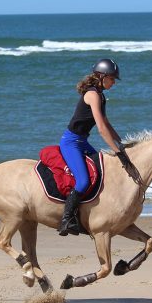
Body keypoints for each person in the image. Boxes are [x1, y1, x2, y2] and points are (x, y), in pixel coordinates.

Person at [58, 58, 131, 236]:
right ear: (101, 76)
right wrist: (116, 151)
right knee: (83, 181)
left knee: (101, 171)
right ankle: (66, 220)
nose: (113, 82)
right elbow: (101, 128)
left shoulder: (101, 95)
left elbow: (106, 122)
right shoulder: (92, 94)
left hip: (82, 141)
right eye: (112, 79)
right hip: (71, 142)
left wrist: (122, 143)